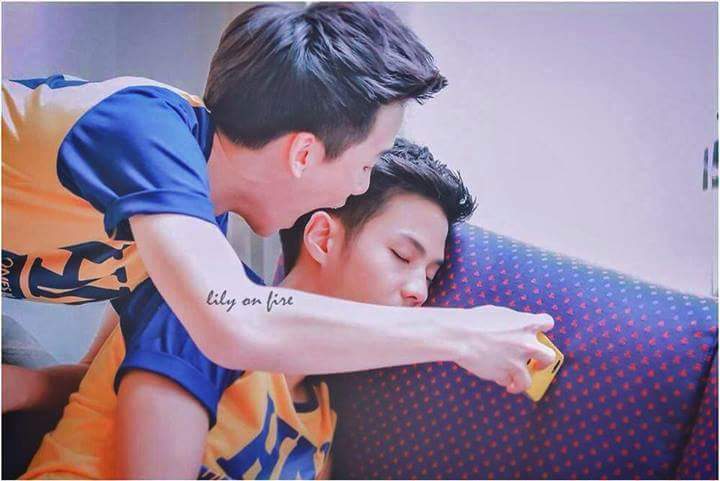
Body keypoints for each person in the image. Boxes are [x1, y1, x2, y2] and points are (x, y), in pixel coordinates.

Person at [3, 2, 554, 444]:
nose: (357, 188)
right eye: (365, 165)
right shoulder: (142, 127)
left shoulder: (194, 230)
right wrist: (461, 335)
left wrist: (22, 386)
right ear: (304, 154)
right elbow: (236, 324)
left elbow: (95, 384)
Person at [22, 138, 505, 479]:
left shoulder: (320, 420)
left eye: (432, 275)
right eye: (402, 256)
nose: (419, 291)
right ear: (322, 238)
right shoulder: (209, 306)